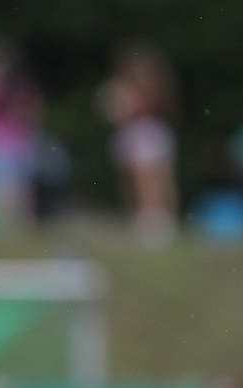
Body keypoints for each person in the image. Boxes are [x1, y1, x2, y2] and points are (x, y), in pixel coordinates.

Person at [98, 42, 178, 248]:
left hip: (148, 133)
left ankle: (158, 220)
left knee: (152, 180)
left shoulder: (154, 86)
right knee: (137, 180)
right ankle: (145, 218)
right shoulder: (122, 87)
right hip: (135, 134)